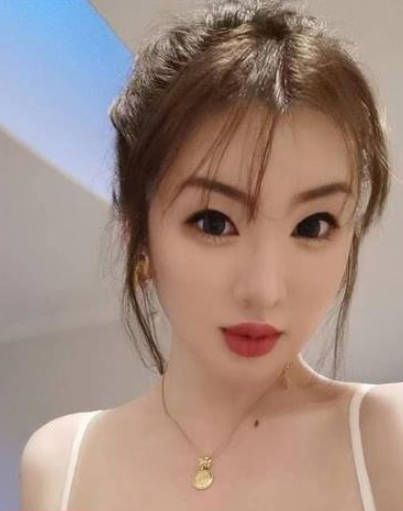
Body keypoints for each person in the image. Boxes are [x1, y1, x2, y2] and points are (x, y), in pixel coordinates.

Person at [20, 0, 402, 509]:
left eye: (313, 225)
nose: (264, 290)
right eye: (213, 222)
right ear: (139, 232)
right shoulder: (59, 463)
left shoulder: (389, 437)